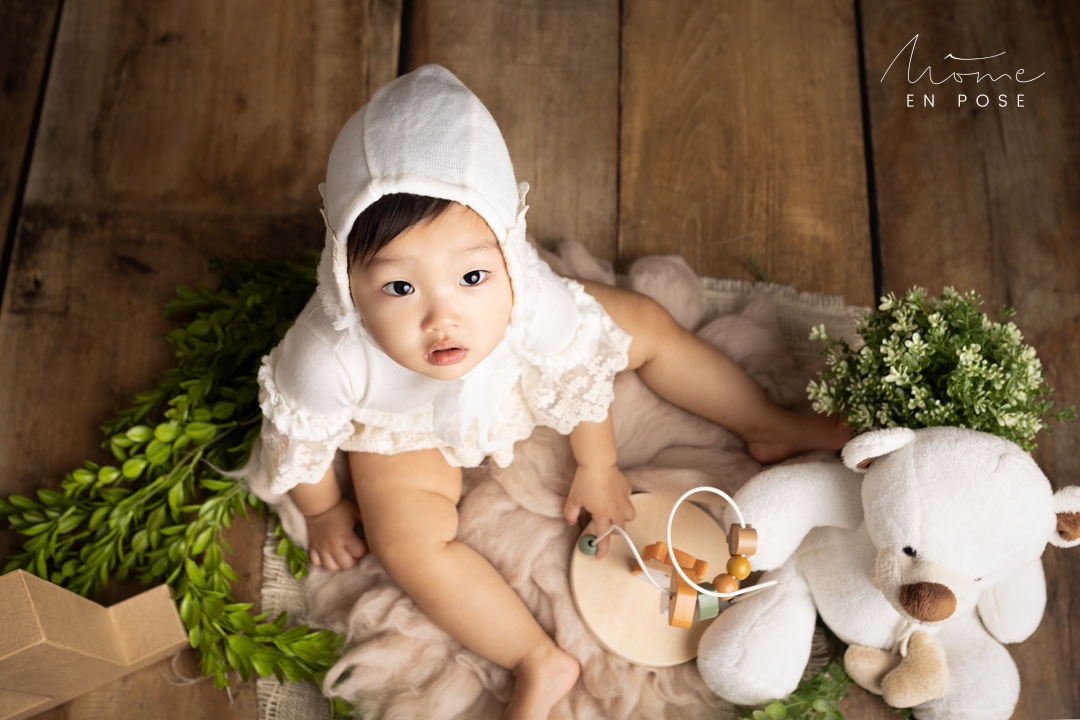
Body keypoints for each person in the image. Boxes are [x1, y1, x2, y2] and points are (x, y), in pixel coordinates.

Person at [249, 64, 848, 720]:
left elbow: (578, 370)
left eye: (471, 277)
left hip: (515, 369)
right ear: (345, 282)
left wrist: (598, 464)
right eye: (399, 288)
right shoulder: (327, 351)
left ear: (507, 252)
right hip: (402, 423)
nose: (442, 318)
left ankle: (764, 420)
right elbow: (299, 435)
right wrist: (325, 510)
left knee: (647, 326)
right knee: (406, 544)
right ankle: (536, 659)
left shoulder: (531, 296)